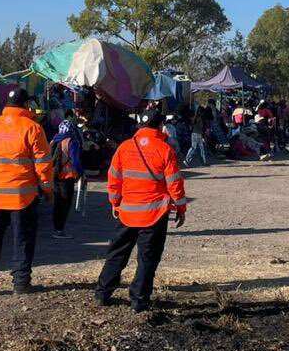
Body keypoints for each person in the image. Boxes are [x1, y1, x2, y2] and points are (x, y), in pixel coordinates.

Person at [95, 109, 188, 312]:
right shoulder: (165, 149)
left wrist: (115, 202)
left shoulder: (125, 147)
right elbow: (175, 184)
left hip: (127, 213)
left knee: (117, 254)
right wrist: (181, 208)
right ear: (160, 126)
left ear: (140, 125)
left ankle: (102, 293)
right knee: (147, 259)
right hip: (155, 214)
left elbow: (114, 178)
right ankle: (138, 300)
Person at [0, 88, 54, 295]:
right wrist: (47, 189)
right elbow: (43, 164)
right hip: (22, 197)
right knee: (22, 239)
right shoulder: (33, 128)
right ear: (26, 105)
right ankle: (20, 283)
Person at [49, 117, 84, 239]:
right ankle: (59, 230)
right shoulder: (71, 141)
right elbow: (76, 161)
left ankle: (56, 228)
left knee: (57, 202)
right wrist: (80, 173)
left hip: (54, 175)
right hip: (67, 176)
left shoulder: (54, 139)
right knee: (65, 203)